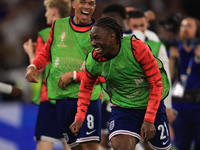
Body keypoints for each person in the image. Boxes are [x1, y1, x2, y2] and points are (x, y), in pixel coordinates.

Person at [69, 17, 172, 150]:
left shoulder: (136, 48)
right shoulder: (93, 60)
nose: (93, 43)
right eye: (92, 39)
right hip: (124, 108)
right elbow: (85, 88)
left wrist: (149, 119)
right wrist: (79, 118)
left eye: (97, 38)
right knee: (121, 147)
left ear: (112, 37)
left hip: (151, 104)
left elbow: (157, 84)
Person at [25, 0, 102, 150]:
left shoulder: (99, 31)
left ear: (94, 7)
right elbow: (46, 52)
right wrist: (33, 66)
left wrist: (74, 74)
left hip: (88, 98)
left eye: (91, 3)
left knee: (90, 145)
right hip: (62, 98)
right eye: (82, 2)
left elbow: (103, 70)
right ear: (74, 4)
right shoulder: (59, 25)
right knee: (74, 147)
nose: (87, 6)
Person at [23, 0, 71, 150]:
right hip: (71, 98)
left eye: (47, 10)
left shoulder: (45, 34)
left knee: (44, 145)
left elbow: (39, 69)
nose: (45, 14)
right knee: (71, 145)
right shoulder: (77, 35)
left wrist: (31, 54)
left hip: (49, 97)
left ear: (54, 12)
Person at [126, 9, 176, 127]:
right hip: (128, 101)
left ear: (147, 24)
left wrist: (168, 106)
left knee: (152, 141)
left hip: (153, 101)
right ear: (127, 25)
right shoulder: (121, 41)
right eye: (135, 26)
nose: (139, 29)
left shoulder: (154, 41)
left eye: (142, 25)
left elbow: (165, 74)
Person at [169, 17, 200, 150]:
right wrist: (171, 60)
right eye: (183, 26)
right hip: (178, 107)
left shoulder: (198, 50)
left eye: (189, 26)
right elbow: (168, 79)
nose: (185, 29)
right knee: (181, 145)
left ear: (197, 30)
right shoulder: (174, 49)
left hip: (198, 106)